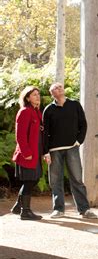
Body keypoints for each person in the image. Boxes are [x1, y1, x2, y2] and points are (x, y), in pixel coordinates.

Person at [42, 83, 98, 219]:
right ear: (52, 94)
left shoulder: (75, 105)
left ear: (64, 90)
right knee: (55, 181)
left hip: (72, 148)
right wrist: (46, 152)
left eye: (60, 87)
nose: (58, 88)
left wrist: (78, 141)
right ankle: (58, 209)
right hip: (54, 150)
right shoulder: (48, 110)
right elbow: (45, 133)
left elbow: (83, 124)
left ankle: (84, 210)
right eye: (55, 88)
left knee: (77, 179)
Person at [11, 86, 44, 221]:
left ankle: (18, 206)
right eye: (34, 94)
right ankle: (25, 211)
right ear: (27, 98)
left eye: (38, 94)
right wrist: (26, 152)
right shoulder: (24, 111)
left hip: (36, 153)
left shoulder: (37, 112)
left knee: (35, 178)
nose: (37, 96)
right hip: (28, 154)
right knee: (30, 180)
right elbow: (20, 135)